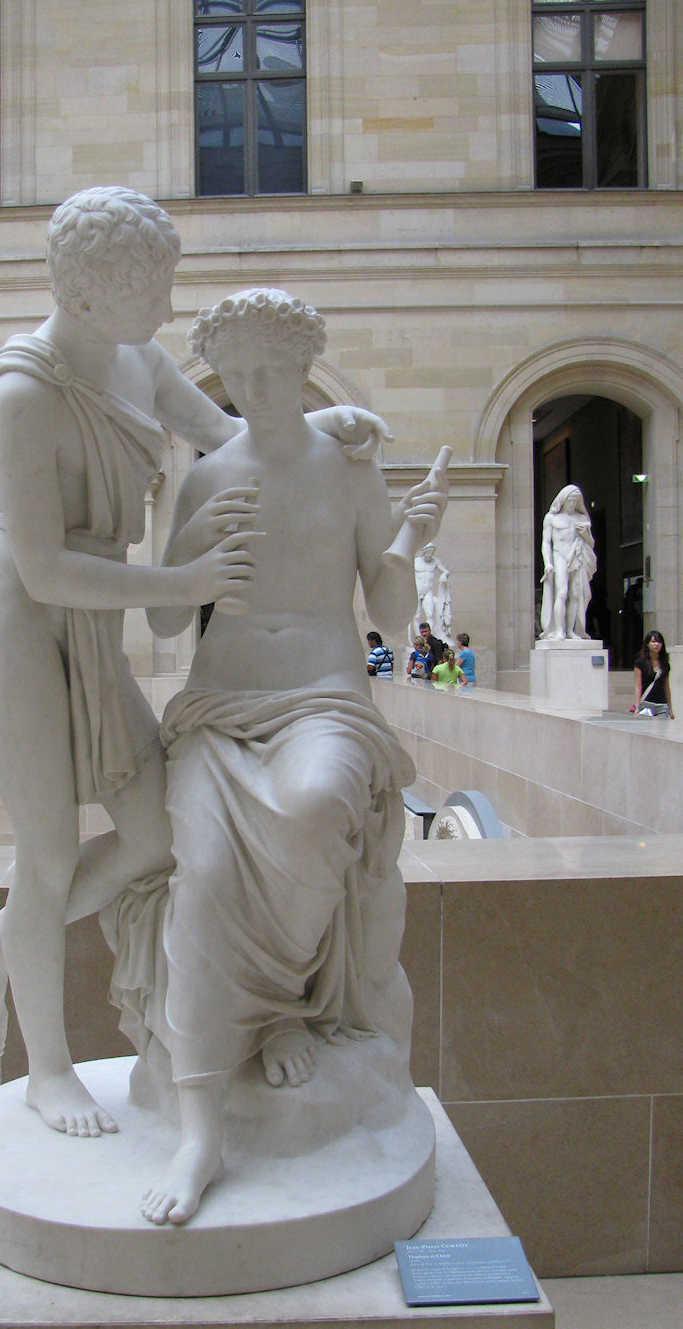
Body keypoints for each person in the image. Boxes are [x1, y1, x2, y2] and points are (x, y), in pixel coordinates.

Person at [0, 190, 394, 1138]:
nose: (166, 304)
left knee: (155, 835)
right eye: (151, 286)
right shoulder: (23, 392)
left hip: (90, 620)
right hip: (16, 618)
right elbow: (42, 566)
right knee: (48, 849)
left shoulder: (138, 359)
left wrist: (331, 423)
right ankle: (47, 1069)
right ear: (92, 289)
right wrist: (182, 579)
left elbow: (237, 438)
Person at [101, 287, 449, 1224]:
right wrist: (194, 550)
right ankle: (200, 1132)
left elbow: (388, 611)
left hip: (323, 696)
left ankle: (280, 1008)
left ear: (302, 368)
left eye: (270, 371)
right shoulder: (207, 475)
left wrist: (412, 535)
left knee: (313, 805)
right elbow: (167, 621)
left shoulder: (345, 466)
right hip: (221, 704)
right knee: (205, 877)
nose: (253, 390)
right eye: (237, 375)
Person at [538, 484, 597, 641]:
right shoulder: (551, 518)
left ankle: (570, 630)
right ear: (563, 499)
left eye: (575, 501)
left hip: (576, 556)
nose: (572, 504)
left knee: (575, 594)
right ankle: (559, 630)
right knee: (562, 592)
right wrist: (547, 563)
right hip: (559, 556)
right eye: (570, 500)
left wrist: (585, 535)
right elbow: (546, 543)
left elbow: (591, 543)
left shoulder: (582, 518)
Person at [410, 542, 451, 645]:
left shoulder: (435, 561)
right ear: (424, 552)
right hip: (417, 591)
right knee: (416, 615)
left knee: (430, 614)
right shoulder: (416, 562)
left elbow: (446, 571)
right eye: (429, 553)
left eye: (432, 553)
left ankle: (427, 639)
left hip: (428, 591)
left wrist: (444, 575)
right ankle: (418, 639)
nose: (430, 555)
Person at [632, 629, 674, 718]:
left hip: (662, 705)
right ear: (647, 644)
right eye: (653, 641)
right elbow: (638, 686)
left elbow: (666, 686)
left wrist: (670, 708)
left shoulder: (664, 663)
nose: (656, 644)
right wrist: (637, 706)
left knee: (662, 726)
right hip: (646, 704)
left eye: (659, 642)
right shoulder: (640, 663)